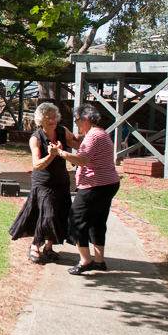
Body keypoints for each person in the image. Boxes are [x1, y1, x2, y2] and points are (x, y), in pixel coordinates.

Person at [9, 103, 82, 264]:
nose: (53, 120)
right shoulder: (36, 138)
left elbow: (76, 141)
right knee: (47, 214)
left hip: (61, 180)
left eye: (55, 117)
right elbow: (37, 164)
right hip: (43, 182)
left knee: (59, 213)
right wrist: (52, 155)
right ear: (41, 119)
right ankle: (35, 245)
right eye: (49, 118)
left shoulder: (62, 131)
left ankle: (48, 247)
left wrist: (94, 135)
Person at [57, 104, 120, 275]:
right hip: (108, 183)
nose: (76, 124)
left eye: (77, 121)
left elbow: (83, 159)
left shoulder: (93, 136)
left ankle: (85, 261)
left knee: (76, 219)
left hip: (95, 185)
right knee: (97, 222)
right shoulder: (101, 133)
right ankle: (99, 261)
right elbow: (87, 152)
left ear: (85, 120)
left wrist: (61, 153)